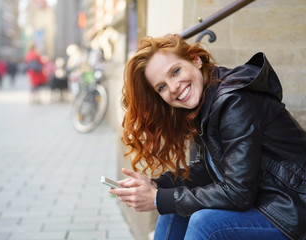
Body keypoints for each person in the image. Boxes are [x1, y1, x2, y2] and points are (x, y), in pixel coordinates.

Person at [110, 34, 306, 240]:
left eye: (175, 71)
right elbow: (209, 167)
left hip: (292, 208)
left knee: (205, 223)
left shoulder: (234, 102)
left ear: (196, 59)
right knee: (173, 211)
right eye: (162, 87)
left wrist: (160, 199)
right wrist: (158, 186)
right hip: (264, 200)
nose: (173, 87)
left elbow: (238, 192)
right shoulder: (205, 102)